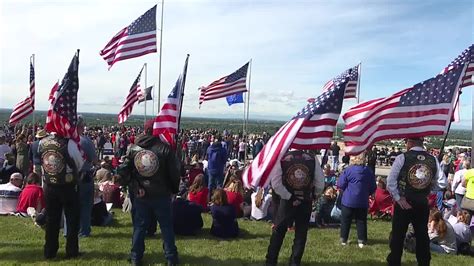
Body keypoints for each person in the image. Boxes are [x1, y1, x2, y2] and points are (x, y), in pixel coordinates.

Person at [117, 120, 180, 266]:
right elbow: (174, 173)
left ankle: (135, 258)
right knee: (166, 227)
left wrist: (134, 186)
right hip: (161, 195)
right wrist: (173, 190)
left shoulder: (133, 149)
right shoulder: (165, 149)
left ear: (145, 131)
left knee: (139, 227)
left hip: (142, 195)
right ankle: (171, 258)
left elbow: (123, 172)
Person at [386, 137, 447, 266]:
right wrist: (428, 190)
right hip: (421, 203)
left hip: (404, 202)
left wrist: (398, 198)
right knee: (422, 235)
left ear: (410, 142)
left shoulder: (402, 158)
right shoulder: (433, 159)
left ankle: (394, 262)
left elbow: (390, 182)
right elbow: (442, 183)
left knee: (398, 235)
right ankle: (424, 262)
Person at [265, 149, 324, 266]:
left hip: (286, 201)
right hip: (305, 200)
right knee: (300, 235)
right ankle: (295, 262)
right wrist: (315, 194)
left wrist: (289, 196)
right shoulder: (312, 158)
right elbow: (320, 182)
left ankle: (271, 261)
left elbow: (276, 183)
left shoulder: (282, 157)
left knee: (278, 232)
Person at [39, 132, 84, 259]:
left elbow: (42, 161)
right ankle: (71, 251)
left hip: (49, 185)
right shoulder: (69, 143)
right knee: (72, 220)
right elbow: (79, 163)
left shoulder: (43, 142)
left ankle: (49, 251)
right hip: (67, 186)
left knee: (51, 220)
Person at [337, 153, 376, 247]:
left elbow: (341, 184)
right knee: (361, 221)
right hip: (362, 200)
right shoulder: (368, 171)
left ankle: (343, 240)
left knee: (345, 220)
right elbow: (373, 186)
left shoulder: (348, 170)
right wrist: (367, 193)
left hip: (348, 199)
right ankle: (361, 241)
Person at [77, 115, 98, 237]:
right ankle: (83, 231)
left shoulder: (67, 140)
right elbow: (94, 159)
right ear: (81, 126)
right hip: (84, 177)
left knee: (71, 205)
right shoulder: (85, 141)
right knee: (85, 205)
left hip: (70, 177)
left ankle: (68, 230)